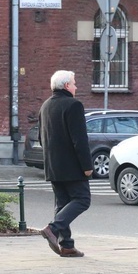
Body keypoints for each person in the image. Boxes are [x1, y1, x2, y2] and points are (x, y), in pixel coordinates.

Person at [38, 70, 92, 258]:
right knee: (83, 199)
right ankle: (53, 229)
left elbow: (41, 138)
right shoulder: (74, 105)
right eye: (75, 83)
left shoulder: (45, 105)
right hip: (72, 166)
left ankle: (66, 245)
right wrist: (87, 166)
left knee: (62, 204)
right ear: (67, 86)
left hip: (53, 165)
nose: (76, 87)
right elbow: (80, 139)